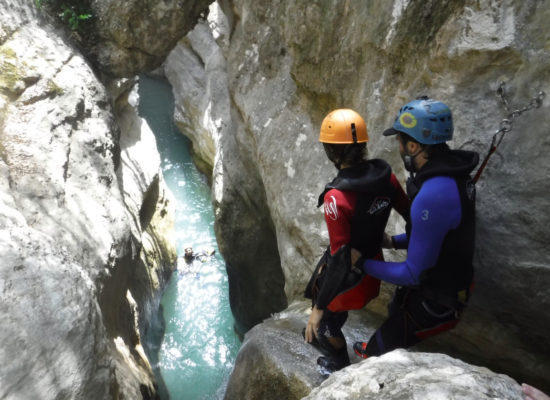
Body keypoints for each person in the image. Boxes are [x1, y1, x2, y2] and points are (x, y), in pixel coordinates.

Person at [350, 97, 480, 359]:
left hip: (439, 300)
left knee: (376, 353)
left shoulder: (433, 195)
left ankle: (374, 352)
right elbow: (438, 237)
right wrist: (393, 242)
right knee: (396, 306)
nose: (398, 146)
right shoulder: (453, 175)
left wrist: (360, 263)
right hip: (448, 283)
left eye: (399, 140)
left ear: (413, 145)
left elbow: (411, 273)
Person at [303, 108, 409, 373]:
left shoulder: (335, 199)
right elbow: (415, 217)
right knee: (326, 315)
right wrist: (394, 242)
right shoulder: (388, 177)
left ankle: (338, 364)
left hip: (350, 279)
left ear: (331, 151)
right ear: (362, 145)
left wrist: (318, 308)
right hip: (372, 271)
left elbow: (340, 259)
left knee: (322, 327)